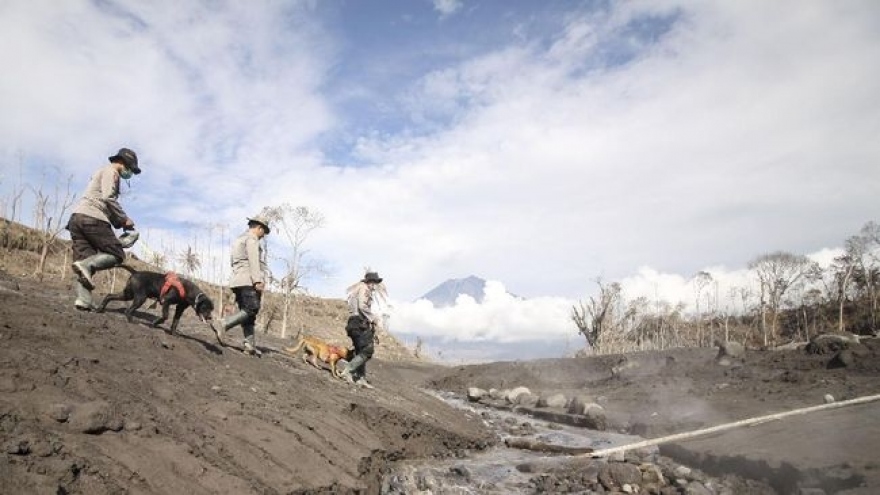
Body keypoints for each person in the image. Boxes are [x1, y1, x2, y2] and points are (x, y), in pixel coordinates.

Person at [68, 147, 142, 311]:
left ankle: (83, 300)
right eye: (130, 169)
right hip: (92, 218)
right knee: (117, 254)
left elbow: (104, 203)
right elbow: (108, 197)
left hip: (77, 218)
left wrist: (120, 223)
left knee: (84, 261)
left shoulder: (100, 172)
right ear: (123, 163)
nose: (129, 173)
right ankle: (86, 269)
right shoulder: (111, 172)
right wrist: (124, 218)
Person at [212, 215, 270, 356]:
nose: (263, 236)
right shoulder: (252, 239)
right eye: (264, 232)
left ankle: (249, 345)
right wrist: (257, 280)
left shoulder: (239, 239)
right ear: (259, 228)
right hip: (248, 279)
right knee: (252, 308)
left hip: (237, 280)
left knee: (249, 313)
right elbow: (253, 260)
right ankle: (223, 324)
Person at [338, 271, 386, 388]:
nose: (375, 286)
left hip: (355, 323)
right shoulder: (364, 289)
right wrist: (373, 318)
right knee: (367, 351)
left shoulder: (360, 288)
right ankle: (348, 371)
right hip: (358, 323)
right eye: (374, 283)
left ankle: (360, 377)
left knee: (360, 350)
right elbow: (362, 306)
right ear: (370, 282)